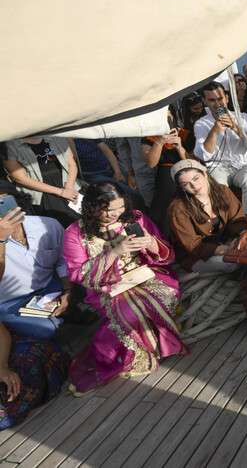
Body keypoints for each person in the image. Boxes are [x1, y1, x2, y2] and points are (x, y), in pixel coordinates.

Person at [62, 182, 186, 394]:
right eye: (109, 210)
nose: (116, 214)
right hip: (105, 287)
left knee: (161, 298)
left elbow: (166, 252)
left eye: (120, 207)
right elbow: (78, 273)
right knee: (129, 313)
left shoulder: (135, 217)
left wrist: (151, 244)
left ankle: (155, 345)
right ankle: (135, 355)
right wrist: (114, 252)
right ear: (92, 207)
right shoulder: (75, 233)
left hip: (147, 274)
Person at [0, 181, 70, 339]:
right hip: (9, 301)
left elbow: (62, 261)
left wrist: (68, 291)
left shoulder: (47, 225)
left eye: (4, 202)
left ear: (18, 201)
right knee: (49, 329)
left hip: (50, 288)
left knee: (87, 297)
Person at [193, 81, 247, 226]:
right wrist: (214, 130)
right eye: (212, 100)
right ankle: (228, 225)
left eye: (220, 99)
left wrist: (236, 127)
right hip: (218, 166)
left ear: (227, 98)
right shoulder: (201, 124)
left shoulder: (242, 117)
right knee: (218, 188)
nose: (217, 104)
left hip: (243, 164)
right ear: (205, 101)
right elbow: (202, 154)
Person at [167, 159, 247, 274]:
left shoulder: (223, 191)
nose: (194, 185)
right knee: (232, 263)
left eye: (196, 178)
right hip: (196, 255)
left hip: (225, 242)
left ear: (204, 174)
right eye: (186, 184)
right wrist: (222, 250)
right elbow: (192, 245)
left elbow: (237, 218)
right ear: (181, 188)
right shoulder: (178, 209)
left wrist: (241, 236)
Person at [3, 136, 81, 227]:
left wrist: (70, 186)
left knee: (83, 219)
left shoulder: (57, 137)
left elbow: (71, 163)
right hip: (41, 193)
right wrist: (61, 192)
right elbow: (20, 178)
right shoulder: (9, 146)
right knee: (61, 224)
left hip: (68, 185)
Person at [142, 106, 190, 232]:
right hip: (166, 175)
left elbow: (194, 162)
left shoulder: (185, 133)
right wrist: (159, 142)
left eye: (167, 116)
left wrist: (180, 148)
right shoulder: (151, 137)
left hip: (187, 170)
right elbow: (151, 163)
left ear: (172, 116)